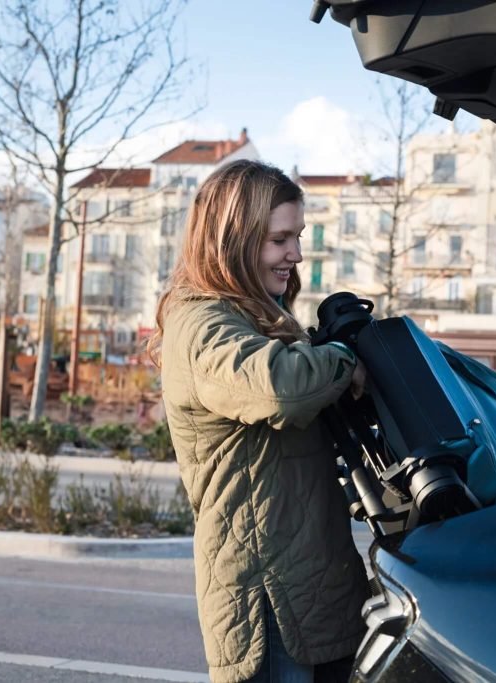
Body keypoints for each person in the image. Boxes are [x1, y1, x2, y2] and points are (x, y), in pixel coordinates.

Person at [148, 160, 369, 683]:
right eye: (279, 239)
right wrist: (344, 359)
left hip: (308, 579)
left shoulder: (258, 318)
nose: (295, 253)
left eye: (297, 236)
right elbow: (280, 389)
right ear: (233, 241)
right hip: (267, 596)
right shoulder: (202, 324)